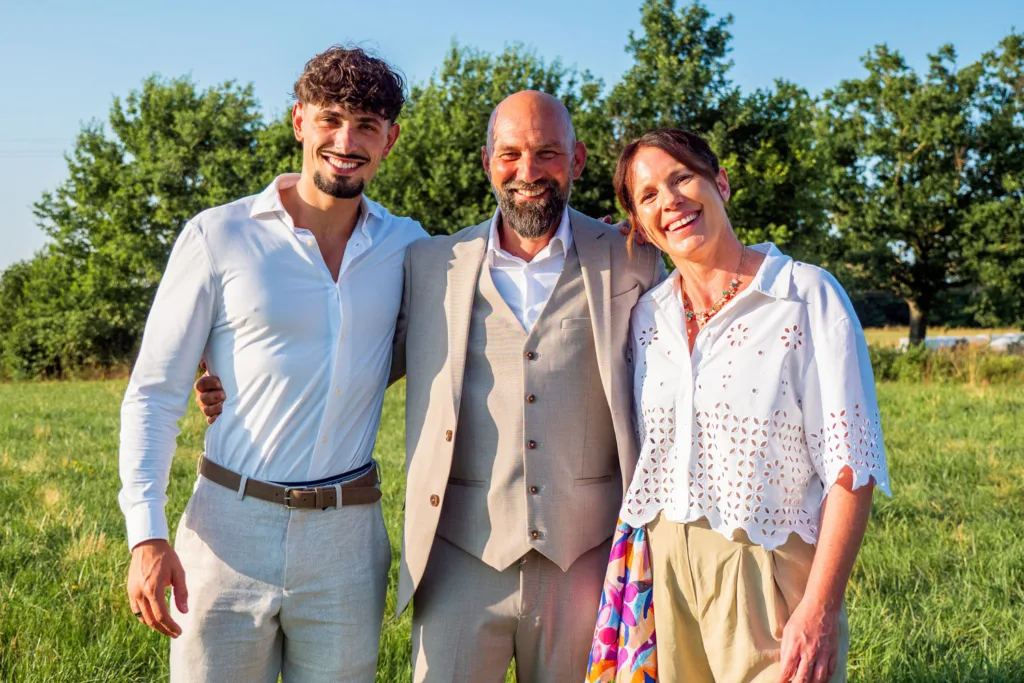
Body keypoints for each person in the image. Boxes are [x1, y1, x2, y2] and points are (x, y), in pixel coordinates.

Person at [118, 46, 426, 682]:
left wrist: (609, 238)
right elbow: (152, 392)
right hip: (228, 528)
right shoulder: (219, 235)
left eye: (367, 125)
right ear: (299, 122)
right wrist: (146, 535)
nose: (347, 140)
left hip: (348, 539)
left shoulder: (410, 248)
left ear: (390, 139)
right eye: (331, 119)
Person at [387, 90, 664, 682]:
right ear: (487, 160)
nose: (528, 172)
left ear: (579, 159)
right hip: (461, 556)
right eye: (510, 154)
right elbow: (354, 361)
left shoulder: (633, 256)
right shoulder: (430, 262)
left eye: (547, 154)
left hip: (587, 556)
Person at [609, 128, 891, 683]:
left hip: (768, 573)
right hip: (661, 572)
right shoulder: (647, 317)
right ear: (639, 225)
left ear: (721, 182)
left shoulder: (806, 296)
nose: (670, 201)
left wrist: (822, 607)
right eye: (648, 196)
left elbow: (852, 468)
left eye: (682, 177)